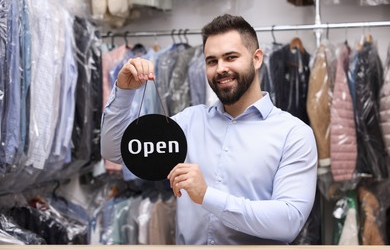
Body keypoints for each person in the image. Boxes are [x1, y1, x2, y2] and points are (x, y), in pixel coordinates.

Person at [100, 14, 318, 245]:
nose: (220, 69)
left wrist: (206, 195)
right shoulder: (188, 122)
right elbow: (116, 153)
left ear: (256, 59)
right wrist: (124, 91)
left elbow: (288, 222)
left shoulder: (294, 134)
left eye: (230, 57)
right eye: (212, 61)